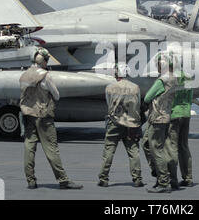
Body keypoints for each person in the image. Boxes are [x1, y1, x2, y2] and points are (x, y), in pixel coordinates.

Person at [19, 48, 83, 190]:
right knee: (51, 149)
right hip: (43, 117)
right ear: (45, 61)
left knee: (29, 148)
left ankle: (30, 180)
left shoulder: (23, 75)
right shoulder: (45, 75)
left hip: (28, 115)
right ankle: (63, 180)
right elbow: (56, 95)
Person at [98, 64, 145, 188]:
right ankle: (137, 179)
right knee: (133, 151)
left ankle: (103, 178)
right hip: (131, 124)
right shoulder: (136, 88)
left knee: (109, 150)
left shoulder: (109, 87)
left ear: (116, 73)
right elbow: (138, 104)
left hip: (114, 122)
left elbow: (109, 105)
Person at [143, 53, 178, 193]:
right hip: (165, 117)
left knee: (156, 149)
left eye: (158, 64)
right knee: (146, 143)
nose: (157, 66)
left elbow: (147, 97)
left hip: (157, 118)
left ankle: (163, 181)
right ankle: (158, 173)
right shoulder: (174, 78)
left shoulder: (162, 80)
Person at [166, 69, 194, 188]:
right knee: (184, 146)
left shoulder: (171, 77)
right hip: (186, 112)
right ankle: (188, 177)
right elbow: (190, 96)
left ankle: (173, 178)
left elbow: (169, 95)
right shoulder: (188, 76)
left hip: (174, 114)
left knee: (172, 147)